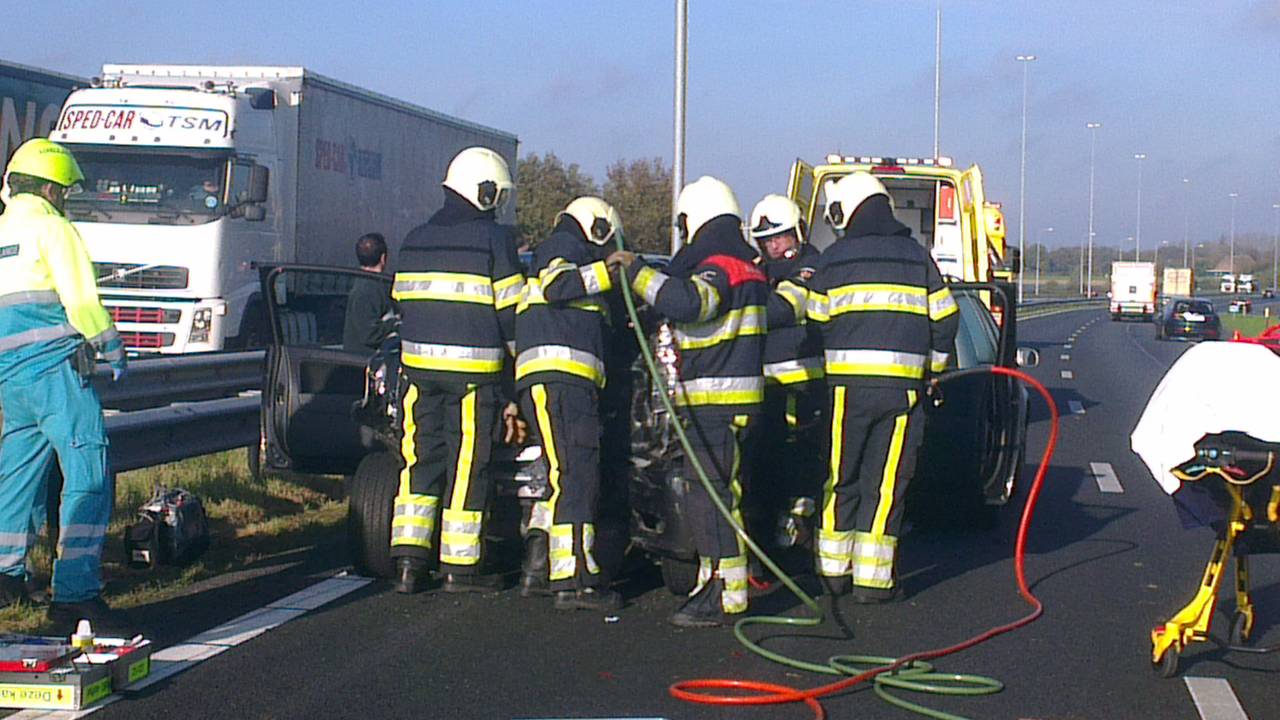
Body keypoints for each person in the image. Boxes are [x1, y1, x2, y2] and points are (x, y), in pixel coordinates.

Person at [607, 176, 768, 627]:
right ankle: (716, 579)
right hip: (734, 401)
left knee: (712, 496)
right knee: (718, 493)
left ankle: (724, 591)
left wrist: (637, 271)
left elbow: (691, 302)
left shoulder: (720, 267)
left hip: (715, 403)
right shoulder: (749, 266)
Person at [806, 171, 958, 603]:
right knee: (886, 480)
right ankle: (873, 582)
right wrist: (933, 370)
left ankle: (833, 573)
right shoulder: (917, 257)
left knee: (841, 475)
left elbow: (814, 323)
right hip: (902, 393)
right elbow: (946, 319)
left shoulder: (833, 259)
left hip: (845, 392)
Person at [0, 139, 128, 629]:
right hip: (56, 371)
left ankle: (8, 574)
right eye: (65, 191)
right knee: (89, 472)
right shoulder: (54, 230)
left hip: (13, 379)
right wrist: (111, 347)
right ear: (52, 188)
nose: (66, 199)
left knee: (16, 477)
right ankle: (74, 591)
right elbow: (81, 300)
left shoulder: (4, 232)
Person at [389, 146, 525, 594]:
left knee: (419, 460)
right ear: (485, 193)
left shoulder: (413, 238)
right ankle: (459, 568)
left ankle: (409, 562)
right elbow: (511, 315)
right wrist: (517, 379)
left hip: (418, 374)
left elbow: (399, 302)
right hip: (473, 376)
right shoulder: (495, 241)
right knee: (467, 465)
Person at [514, 196, 625, 611]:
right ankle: (576, 580)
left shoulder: (566, 252)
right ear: (597, 227)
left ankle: (538, 565)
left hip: (551, 382)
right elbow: (558, 286)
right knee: (578, 476)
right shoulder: (566, 246)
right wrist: (608, 270)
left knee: (561, 476)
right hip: (563, 380)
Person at [745, 194, 825, 565]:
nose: (773, 246)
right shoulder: (758, 267)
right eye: (766, 240)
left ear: (798, 233)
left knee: (802, 462)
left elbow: (785, 308)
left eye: (780, 237)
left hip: (802, 384)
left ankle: (801, 534)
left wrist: (741, 302)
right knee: (765, 461)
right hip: (765, 386)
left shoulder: (811, 266)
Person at [342, 232, 396, 354]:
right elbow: (370, 334)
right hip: (363, 363)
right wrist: (395, 324)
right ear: (383, 258)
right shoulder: (368, 289)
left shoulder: (364, 283)